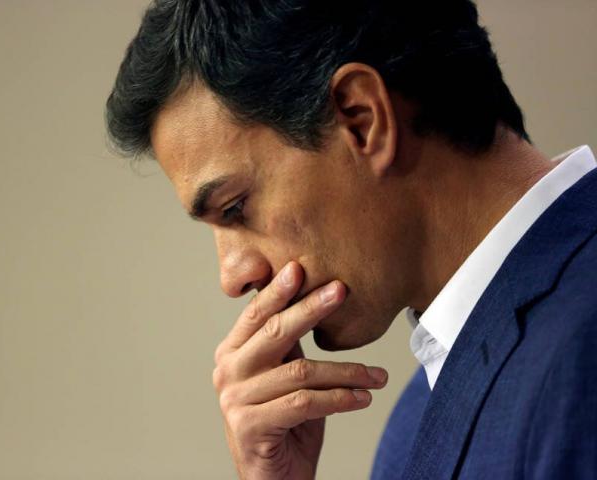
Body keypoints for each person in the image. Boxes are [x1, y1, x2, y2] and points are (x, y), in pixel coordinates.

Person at [105, 1, 597, 478]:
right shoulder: (417, 415)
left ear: (363, 120)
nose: (233, 277)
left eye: (235, 207)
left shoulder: (580, 353)